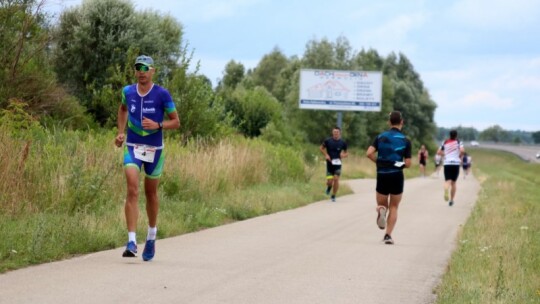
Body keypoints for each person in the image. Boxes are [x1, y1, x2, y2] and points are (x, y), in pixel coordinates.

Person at [115, 55, 180, 261]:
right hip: (133, 146)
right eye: (138, 67)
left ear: (152, 71)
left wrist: (158, 125)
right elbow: (123, 109)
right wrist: (120, 132)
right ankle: (132, 241)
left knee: (150, 193)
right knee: (132, 187)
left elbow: (176, 122)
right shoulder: (128, 92)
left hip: (155, 149)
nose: (141, 71)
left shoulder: (162, 94)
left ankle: (151, 235)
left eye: (145, 68)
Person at [366, 111, 412, 245]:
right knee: (394, 206)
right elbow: (408, 164)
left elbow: (368, 153)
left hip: (382, 174)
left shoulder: (380, 137)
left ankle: (381, 210)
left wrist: (379, 163)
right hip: (397, 175)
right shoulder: (405, 140)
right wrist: (398, 164)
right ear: (401, 122)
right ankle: (388, 235)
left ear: (389, 122)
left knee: (382, 204)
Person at [320, 126, 348, 202]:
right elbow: (321, 148)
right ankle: (329, 187)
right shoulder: (327, 141)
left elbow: (346, 153)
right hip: (329, 163)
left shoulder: (343, 143)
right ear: (332, 133)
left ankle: (333, 195)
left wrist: (343, 155)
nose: (336, 133)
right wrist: (326, 155)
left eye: (337, 132)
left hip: (338, 164)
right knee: (329, 181)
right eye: (334, 132)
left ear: (340, 133)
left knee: (336, 179)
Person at [437, 130, 464, 207]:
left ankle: (446, 190)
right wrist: (459, 155)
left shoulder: (445, 142)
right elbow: (462, 151)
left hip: (447, 163)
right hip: (455, 164)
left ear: (450, 135)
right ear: (456, 135)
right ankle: (451, 200)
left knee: (447, 181)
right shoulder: (459, 142)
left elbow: (438, 152)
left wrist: (445, 154)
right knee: (454, 183)